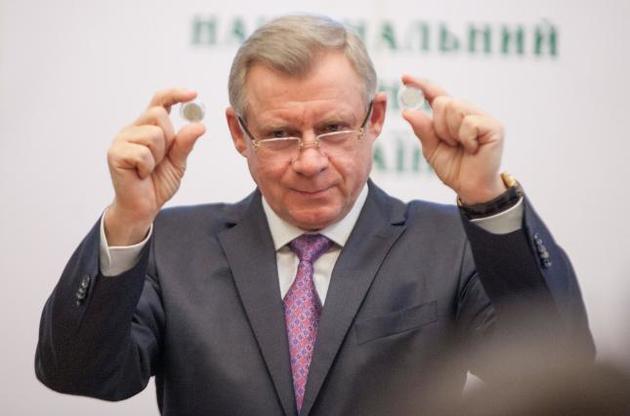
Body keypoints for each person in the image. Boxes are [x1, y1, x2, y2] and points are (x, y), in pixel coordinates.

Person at [35, 14, 594, 416]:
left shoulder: (451, 242)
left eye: (332, 128)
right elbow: (79, 373)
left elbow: (557, 359)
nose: (310, 161)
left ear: (375, 118)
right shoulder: (171, 245)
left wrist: (487, 199)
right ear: (239, 134)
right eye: (280, 134)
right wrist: (128, 220)